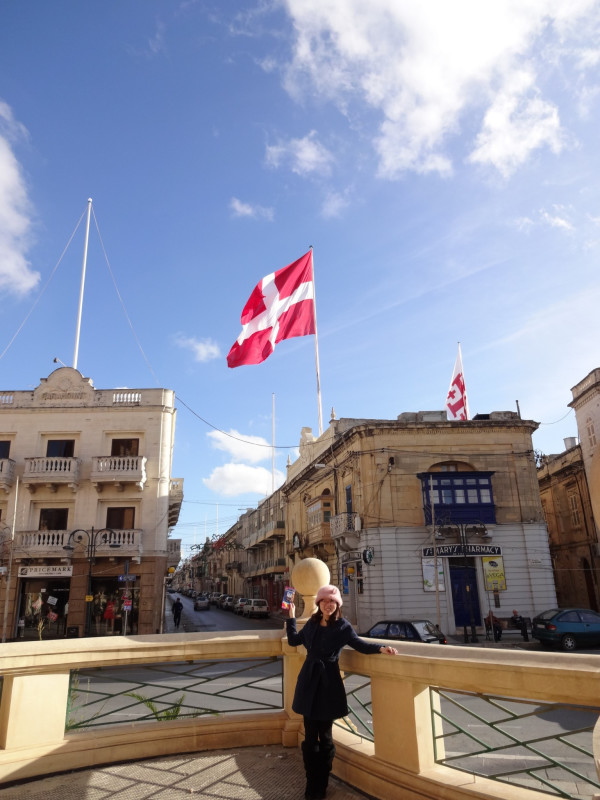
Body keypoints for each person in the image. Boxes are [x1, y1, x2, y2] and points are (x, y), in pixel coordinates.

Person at [286, 585, 398, 800]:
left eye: (333, 601)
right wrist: (291, 617)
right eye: (325, 601)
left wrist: (381, 648)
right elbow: (293, 641)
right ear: (319, 603)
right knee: (310, 738)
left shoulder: (342, 627)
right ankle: (311, 782)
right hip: (309, 681)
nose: (328, 605)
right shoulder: (311, 623)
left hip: (328, 683)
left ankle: (322, 782)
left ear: (337, 605)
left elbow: (359, 645)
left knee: (326, 737)